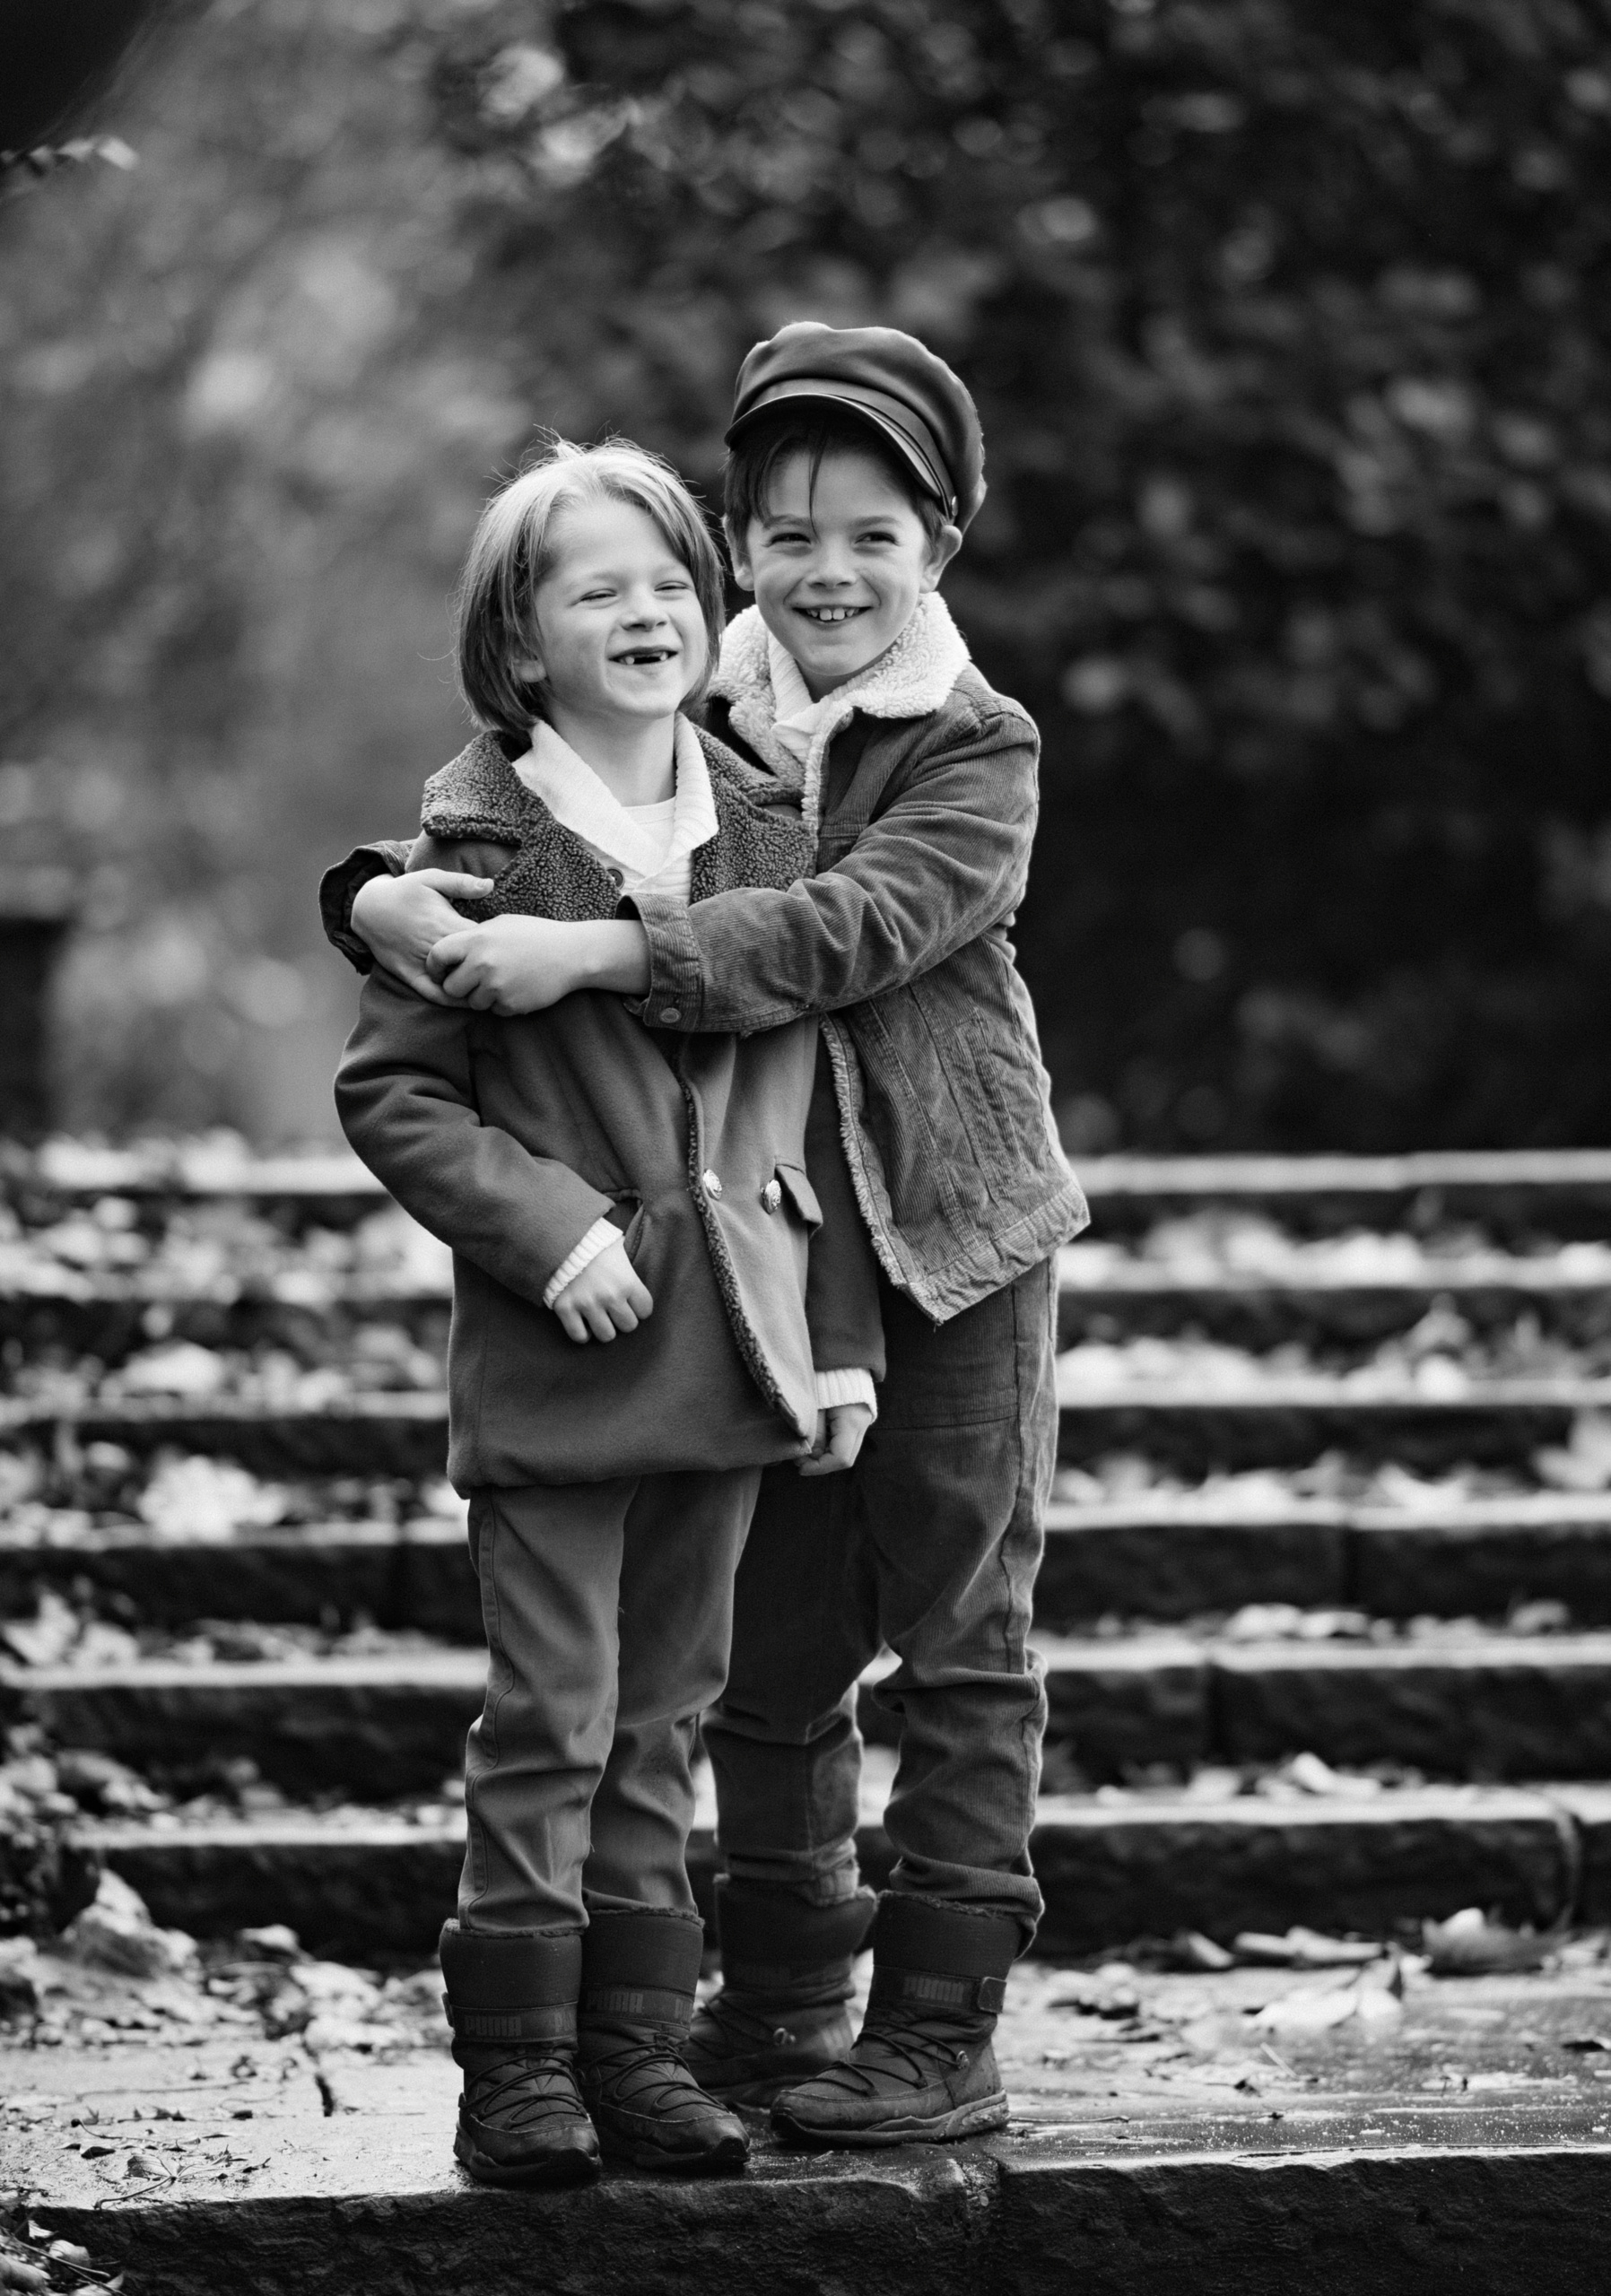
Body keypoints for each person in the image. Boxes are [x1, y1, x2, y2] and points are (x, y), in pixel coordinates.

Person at [325, 326, 1088, 2149]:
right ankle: (772, 1989)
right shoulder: (704, 711)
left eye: (873, 534)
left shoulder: (975, 743)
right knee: (763, 1648)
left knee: (962, 1629)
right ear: (740, 541)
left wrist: (589, 955)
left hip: (948, 1223)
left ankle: (937, 2017)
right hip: (742, 1271)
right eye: (789, 531)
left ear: (938, 543)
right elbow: (511, 804)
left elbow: (833, 929)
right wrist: (366, 893)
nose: (828, 570)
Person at [328, 435, 882, 2189]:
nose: (643, 610)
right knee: (551, 1718)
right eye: (595, 587)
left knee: (667, 1715)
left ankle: (638, 2049)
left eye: (664, 579)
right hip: (564, 1360)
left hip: (729, 1349)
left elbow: (814, 1108)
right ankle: (518, 2070)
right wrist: (545, 1221)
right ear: (520, 642)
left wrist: (840, 1333)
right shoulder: (467, 847)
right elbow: (398, 1098)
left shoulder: (769, 828)